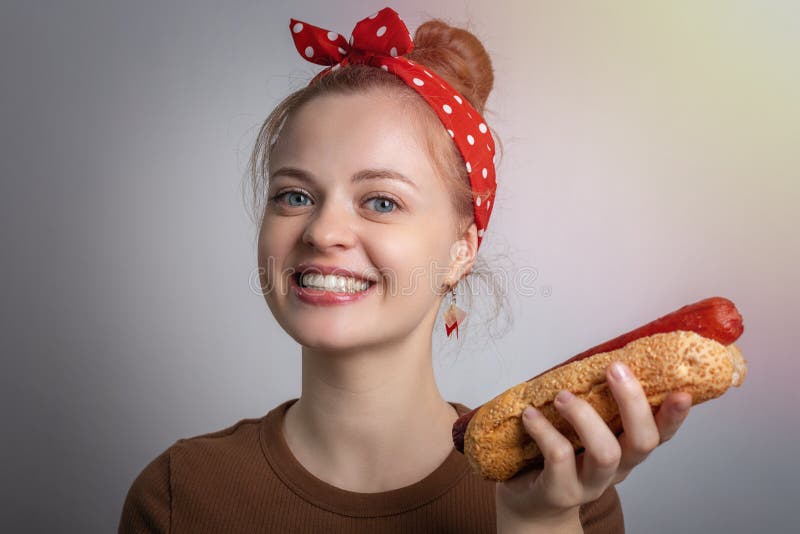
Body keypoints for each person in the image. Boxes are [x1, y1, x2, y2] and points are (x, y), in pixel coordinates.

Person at [118, 7, 693, 533]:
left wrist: (536, 523)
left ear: (461, 250)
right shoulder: (180, 494)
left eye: (381, 201)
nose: (321, 231)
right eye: (294, 196)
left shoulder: (567, 490)